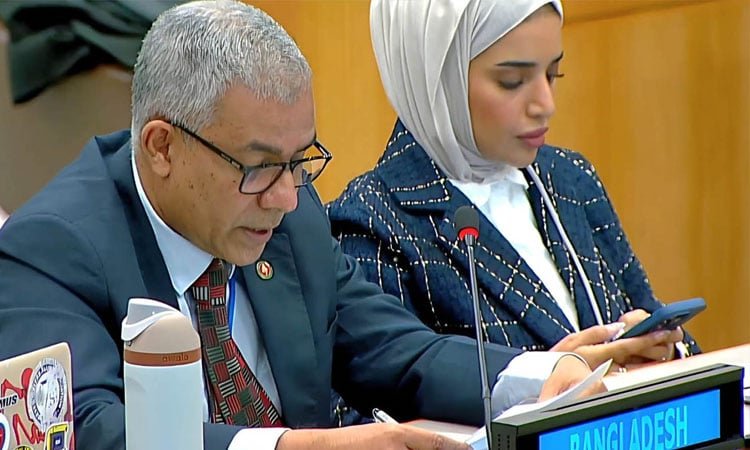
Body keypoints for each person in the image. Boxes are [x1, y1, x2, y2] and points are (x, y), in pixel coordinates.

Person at [0, 2, 601, 450]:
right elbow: (88, 431)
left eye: (300, 160)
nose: (287, 196)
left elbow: (395, 350)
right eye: (260, 166)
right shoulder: (49, 249)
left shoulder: (290, 213)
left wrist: (545, 377)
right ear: (162, 147)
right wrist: (300, 448)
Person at [328, 0, 700, 377]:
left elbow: (662, 328)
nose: (545, 105)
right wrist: (540, 381)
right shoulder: (371, 224)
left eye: (553, 74)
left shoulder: (568, 177)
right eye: (512, 81)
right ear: (436, 77)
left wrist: (663, 350)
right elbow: (374, 408)